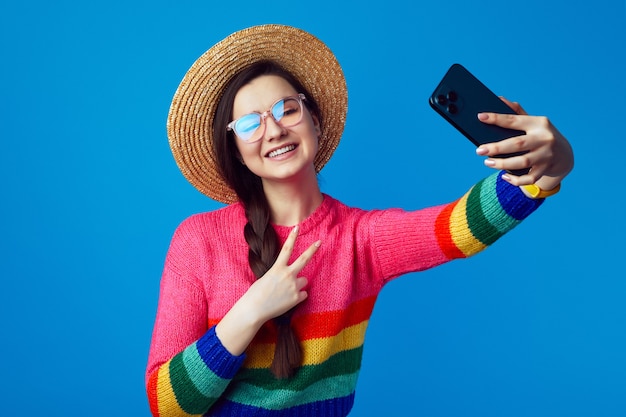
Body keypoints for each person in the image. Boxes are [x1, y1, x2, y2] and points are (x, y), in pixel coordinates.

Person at [145, 24, 574, 417]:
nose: (273, 130)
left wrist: (552, 165)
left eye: (286, 109)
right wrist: (250, 311)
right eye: (250, 123)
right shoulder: (197, 241)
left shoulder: (361, 238)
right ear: (236, 149)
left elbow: (459, 227)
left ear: (313, 118)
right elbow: (166, 405)